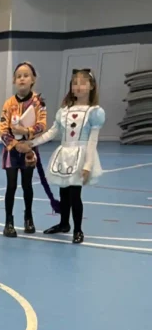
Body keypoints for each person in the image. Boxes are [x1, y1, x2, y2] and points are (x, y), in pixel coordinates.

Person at [27, 68, 105, 245]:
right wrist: (32, 143)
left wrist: (88, 165)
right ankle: (64, 224)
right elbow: (52, 132)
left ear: (91, 86)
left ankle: (78, 229)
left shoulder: (94, 112)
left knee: (75, 194)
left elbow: (92, 141)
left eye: (83, 83)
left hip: (80, 156)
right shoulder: (64, 111)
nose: (78, 86)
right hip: (64, 154)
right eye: (75, 83)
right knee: (63, 191)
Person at [0, 62, 47, 237]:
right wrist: (15, 144)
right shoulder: (8, 103)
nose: (22, 79)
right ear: (14, 80)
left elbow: (42, 124)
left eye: (26, 75)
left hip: (29, 150)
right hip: (11, 151)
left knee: (27, 185)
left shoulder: (38, 102)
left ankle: (28, 218)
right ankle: (8, 222)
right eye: (18, 76)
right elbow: (2, 128)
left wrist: (27, 132)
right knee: (11, 185)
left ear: (33, 79)